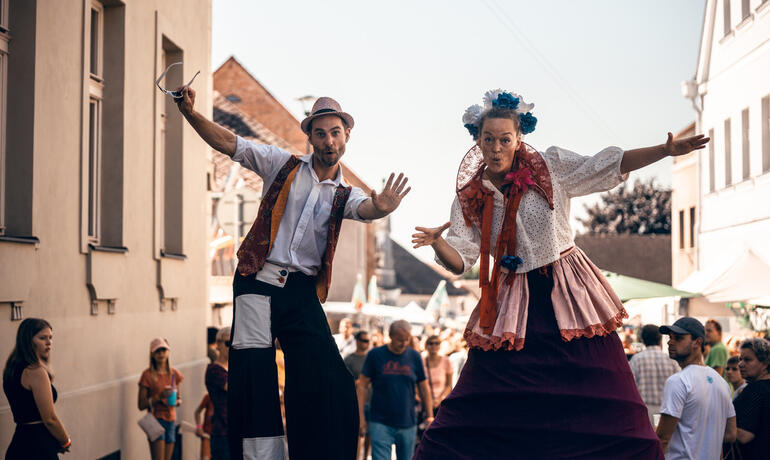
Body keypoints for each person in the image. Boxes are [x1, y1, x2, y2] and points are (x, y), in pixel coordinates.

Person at [411, 88, 707, 458]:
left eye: (505, 139)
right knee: (481, 395)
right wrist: (439, 243)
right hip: (512, 301)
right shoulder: (471, 195)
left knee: (601, 391)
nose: (497, 147)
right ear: (477, 139)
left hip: (566, 288)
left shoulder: (547, 167)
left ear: (519, 139)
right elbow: (463, 259)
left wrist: (663, 151)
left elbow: (605, 166)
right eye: (489, 139)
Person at [175, 88, 409, 460]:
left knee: (332, 380)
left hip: (300, 291)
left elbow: (365, 209)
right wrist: (190, 113)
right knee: (254, 377)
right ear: (310, 137)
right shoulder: (280, 165)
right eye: (321, 133)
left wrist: (381, 208)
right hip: (255, 281)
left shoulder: (343, 194)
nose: (329, 140)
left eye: (335, 132)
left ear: (346, 136)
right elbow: (229, 143)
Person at [657, 317, 736, 459]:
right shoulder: (722, 383)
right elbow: (730, 434)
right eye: (670, 337)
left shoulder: (678, 381)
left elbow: (663, 438)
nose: (670, 342)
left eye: (678, 338)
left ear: (697, 342)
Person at [356, 320, 433, 460]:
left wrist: (430, 415)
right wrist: (361, 418)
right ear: (390, 335)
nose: (403, 343)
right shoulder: (375, 355)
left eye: (407, 339)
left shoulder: (414, 356)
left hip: (407, 422)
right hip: (380, 421)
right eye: (399, 340)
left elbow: (424, 386)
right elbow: (362, 385)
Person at [3, 318, 71, 459]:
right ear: (28, 340)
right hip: (38, 447)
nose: (49, 343)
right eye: (42, 338)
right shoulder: (35, 371)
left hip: (19, 443)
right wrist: (65, 441)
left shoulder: (11, 368)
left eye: (50, 338)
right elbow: (50, 419)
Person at [137, 337, 184, 460]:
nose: (161, 354)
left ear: (168, 352)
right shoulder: (147, 375)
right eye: (157, 351)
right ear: (152, 354)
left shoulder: (174, 374)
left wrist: (176, 401)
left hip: (171, 420)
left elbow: (178, 398)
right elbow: (141, 404)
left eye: (163, 350)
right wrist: (159, 396)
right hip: (156, 419)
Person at [630, 324, 681, 425]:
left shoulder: (636, 360)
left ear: (643, 340)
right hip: (667, 413)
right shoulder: (672, 361)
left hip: (643, 412)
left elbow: (630, 387)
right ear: (660, 340)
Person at [732, 338, 770, 460]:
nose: (740, 364)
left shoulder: (755, 390)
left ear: (765, 363)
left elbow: (744, 435)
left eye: (747, 360)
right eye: (740, 359)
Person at [343, 331, 371, 460]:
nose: (366, 343)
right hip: (356, 401)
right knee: (358, 433)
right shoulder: (349, 358)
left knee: (370, 434)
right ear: (358, 341)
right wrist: (358, 382)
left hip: (371, 400)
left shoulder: (371, 358)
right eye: (364, 340)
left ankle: (365, 457)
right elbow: (343, 380)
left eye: (368, 341)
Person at [206, 327, 230, 460]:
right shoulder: (214, 370)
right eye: (228, 343)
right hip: (222, 433)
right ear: (219, 344)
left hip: (236, 431)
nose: (231, 347)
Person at [423, 335, 453, 415]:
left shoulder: (446, 361)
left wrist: (440, 400)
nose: (434, 346)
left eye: (437, 343)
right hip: (424, 403)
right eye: (431, 343)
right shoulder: (421, 361)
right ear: (426, 345)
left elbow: (449, 385)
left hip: (441, 403)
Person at [194, 393, 213, 460]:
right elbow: (197, 412)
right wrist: (199, 427)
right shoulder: (208, 396)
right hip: (207, 435)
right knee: (205, 457)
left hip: (221, 436)